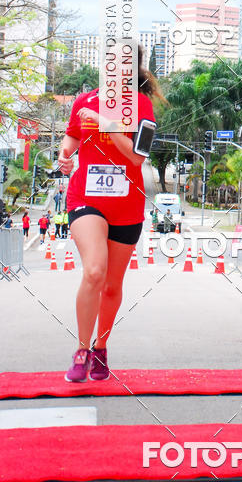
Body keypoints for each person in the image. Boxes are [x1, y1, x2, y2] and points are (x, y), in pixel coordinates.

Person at [58, 45, 164, 383]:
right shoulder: (84, 102)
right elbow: (71, 137)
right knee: (94, 271)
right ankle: (81, 349)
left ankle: (101, 347)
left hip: (127, 203)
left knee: (112, 285)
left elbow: (137, 157)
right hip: (85, 198)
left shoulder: (142, 106)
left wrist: (108, 123)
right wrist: (64, 156)